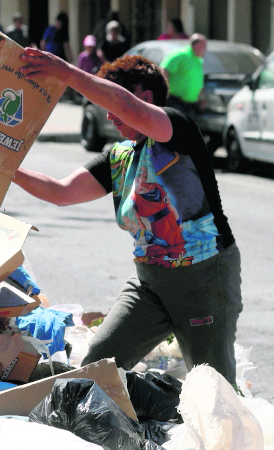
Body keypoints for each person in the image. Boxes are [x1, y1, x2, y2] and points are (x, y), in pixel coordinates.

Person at [13, 48, 242, 384]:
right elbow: (60, 191)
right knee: (96, 368)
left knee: (214, 389)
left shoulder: (178, 129)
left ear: (145, 97)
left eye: (111, 102)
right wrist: (4, 168)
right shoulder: (120, 155)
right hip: (150, 285)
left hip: (203, 281)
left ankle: (234, 437)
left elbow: (129, 108)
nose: (108, 115)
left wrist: (66, 73)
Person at [159, 33, 207, 120]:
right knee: (177, 127)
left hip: (191, 103)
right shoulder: (180, 55)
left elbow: (197, 81)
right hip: (175, 100)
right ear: (195, 45)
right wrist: (164, 89)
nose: (205, 49)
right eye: (203, 46)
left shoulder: (198, 60)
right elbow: (164, 70)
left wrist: (202, 98)